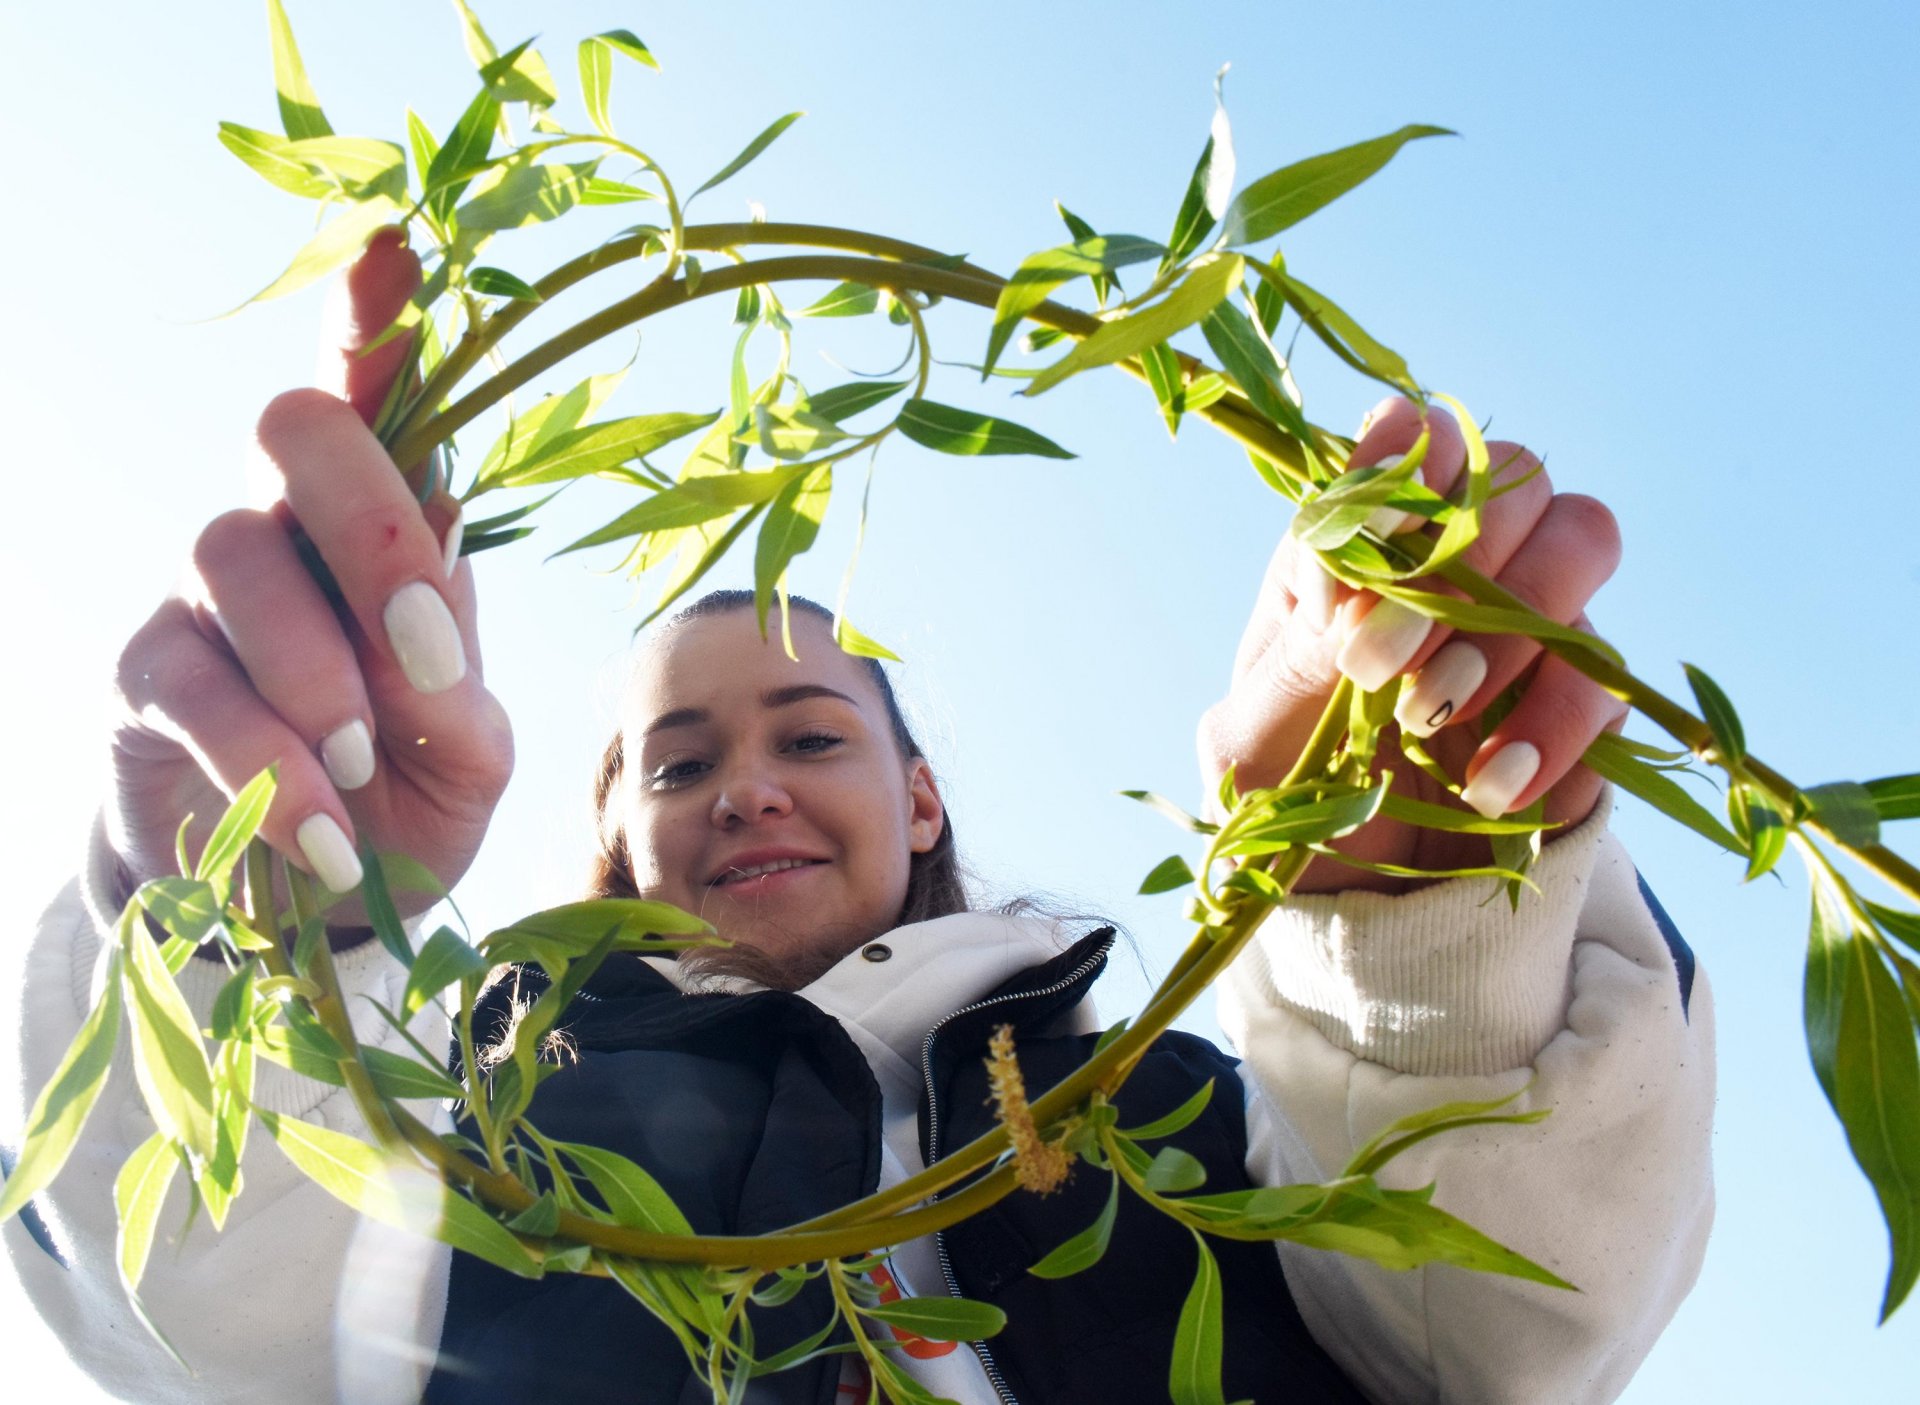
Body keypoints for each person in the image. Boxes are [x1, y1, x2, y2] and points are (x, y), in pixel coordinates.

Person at [3, 232, 1712, 1404]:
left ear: (920, 791)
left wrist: (1422, 960)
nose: (744, 782)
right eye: (674, 762)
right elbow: (213, 1312)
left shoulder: (1174, 1112)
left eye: (808, 732)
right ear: (612, 840)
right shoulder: (484, 1151)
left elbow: (1493, 1336)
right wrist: (250, 925)